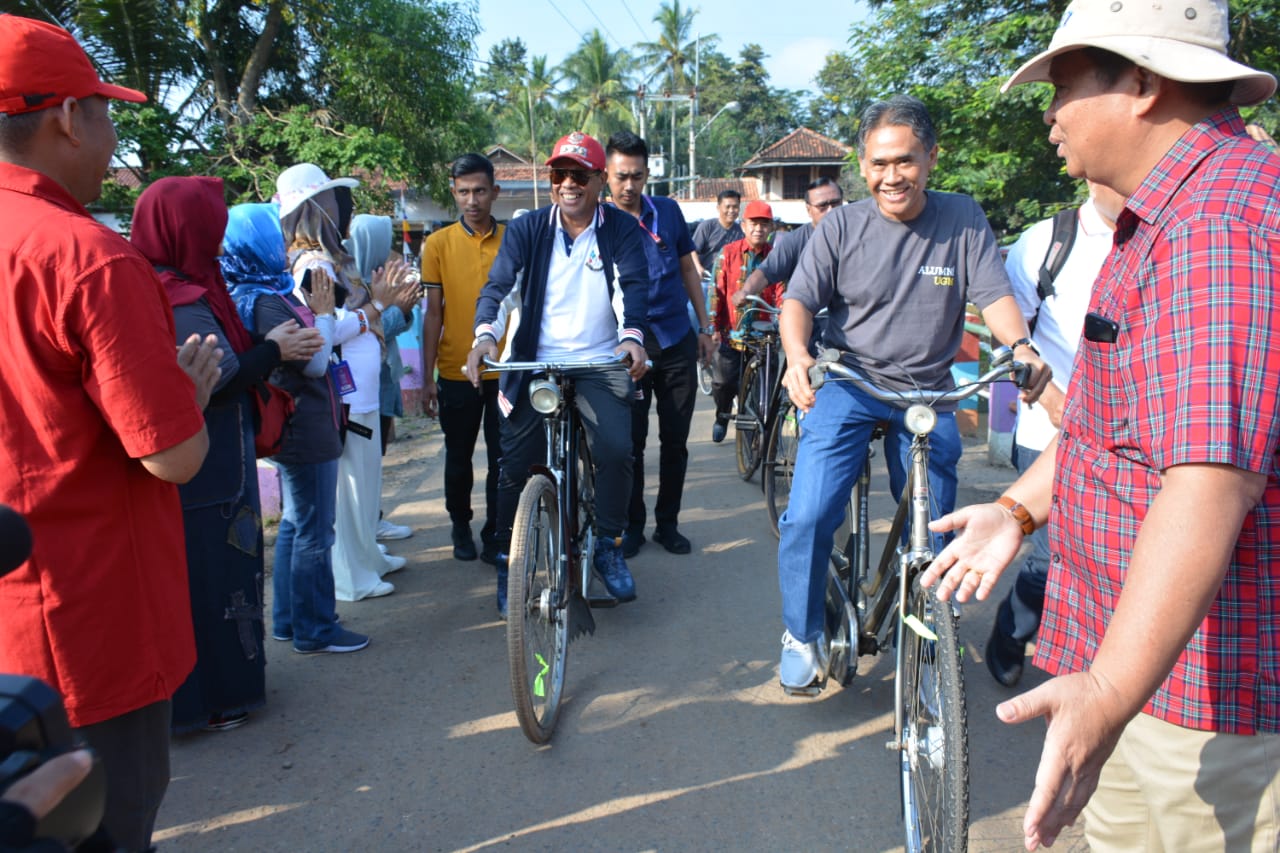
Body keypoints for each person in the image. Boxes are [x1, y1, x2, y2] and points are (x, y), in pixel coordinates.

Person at [923, 2, 1280, 849]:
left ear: (1145, 85)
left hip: (1199, 691)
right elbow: (1109, 417)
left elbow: (1206, 485)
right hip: (1155, 666)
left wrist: (1109, 689)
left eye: (1063, 84)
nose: (1048, 113)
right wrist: (1014, 510)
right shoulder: (1158, 216)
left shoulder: (1213, 233)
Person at [0, 16, 223, 850]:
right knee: (103, 826)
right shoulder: (86, 257)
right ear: (64, 118)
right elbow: (173, 455)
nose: (112, 132)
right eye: (105, 110)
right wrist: (188, 399)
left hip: (11, 619)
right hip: (88, 628)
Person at [775, 94, 1050, 694]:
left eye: (904, 161)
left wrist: (1020, 347)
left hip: (926, 391)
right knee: (811, 513)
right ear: (862, 163)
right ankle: (800, 630)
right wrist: (798, 357)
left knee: (941, 525)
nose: (890, 176)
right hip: (849, 381)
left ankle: (931, 626)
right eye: (877, 164)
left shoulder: (962, 218)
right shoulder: (842, 225)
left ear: (930, 157)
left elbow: (994, 296)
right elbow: (796, 302)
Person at [131, 176, 324, 733]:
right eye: (208, 231)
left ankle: (228, 688)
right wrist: (274, 349)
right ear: (182, 231)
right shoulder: (177, 298)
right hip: (204, 467)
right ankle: (211, 700)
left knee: (227, 570)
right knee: (213, 578)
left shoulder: (194, 286)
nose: (217, 245)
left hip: (218, 457)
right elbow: (214, 377)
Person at [465, 131, 649, 617]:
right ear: (551, 182)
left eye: (579, 175)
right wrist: (485, 336)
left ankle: (608, 542)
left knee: (615, 448)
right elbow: (500, 288)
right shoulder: (527, 230)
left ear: (597, 182)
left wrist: (632, 338)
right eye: (560, 175)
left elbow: (630, 290)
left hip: (598, 362)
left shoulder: (620, 230)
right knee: (513, 466)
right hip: (534, 362)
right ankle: (510, 559)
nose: (569, 184)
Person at [983, 180, 1121, 688]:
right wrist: (1054, 402)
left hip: (1134, 441)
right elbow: (1007, 341)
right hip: (1049, 431)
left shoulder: (1170, 235)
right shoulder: (1047, 242)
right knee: (1053, 557)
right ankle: (1011, 631)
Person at [275, 164, 406, 603]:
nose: (338, 205)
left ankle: (369, 556)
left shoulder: (332, 257)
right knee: (350, 485)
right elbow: (323, 328)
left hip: (360, 388)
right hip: (344, 391)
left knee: (365, 479)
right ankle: (352, 575)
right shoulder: (313, 264)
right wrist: (375, 311)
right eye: (330, 198)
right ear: (313, 208)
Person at [604, 131, 717, 557]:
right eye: (620, 177)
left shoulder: (668, 212)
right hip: (624, 348)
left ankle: (667, 524)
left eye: (636, 176)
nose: (629, 186)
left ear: (647, 174)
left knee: (675, 441)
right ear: (607, 176)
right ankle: (631, 526)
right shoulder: (599, 221)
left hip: (674, 341)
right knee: (629, 444)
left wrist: (704, 328)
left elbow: (689, 270)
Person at [422, 153, 505, 563]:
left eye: (480, 191)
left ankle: (496, 533)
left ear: (495, 192)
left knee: (503, 457)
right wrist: (425, 378)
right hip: (456, 371)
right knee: (458, 457)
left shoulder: (514, 238)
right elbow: (433, 314)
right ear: (454, 193)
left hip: (506, 370)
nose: (472, 200)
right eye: (464, 192)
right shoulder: (436, 245)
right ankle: (460, 522)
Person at [709, 199, 781, 443]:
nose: (758, 229)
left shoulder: (777, 257)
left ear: (771, 227)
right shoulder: (728, 253)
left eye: (764, 224)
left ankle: (754, 438)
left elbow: (784, 291)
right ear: (743, 226)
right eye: (753, 223)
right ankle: (721, 415)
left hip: (765, 337)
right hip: (731, 334)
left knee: (764, 390)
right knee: (722, 383)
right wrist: (713, 327)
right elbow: (715, 291)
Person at [736, 177, 844, 305]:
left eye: (835, 203)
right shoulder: (794, 241)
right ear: (809, 210)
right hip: (809, 316)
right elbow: (766, 271)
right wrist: (746, 291)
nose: (831, 210)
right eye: (822, 206)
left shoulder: (858, 234)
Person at [690, 188, 743, 279]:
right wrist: (698, 267)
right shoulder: (707, 226)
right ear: (718, 208)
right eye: (727, 207)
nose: (731, 210)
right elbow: (692, 250)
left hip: (729, 281)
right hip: (706, 279)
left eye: (735, 207)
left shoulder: (741, 231)